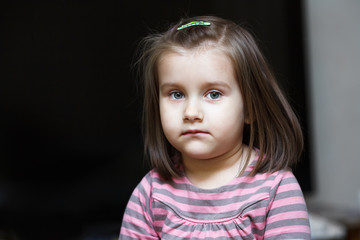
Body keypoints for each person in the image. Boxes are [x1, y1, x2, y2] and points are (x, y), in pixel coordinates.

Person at [119, 16, 311, 239]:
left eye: (213, 94)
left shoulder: (275, 188)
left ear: (250, 108)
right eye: (176, 94)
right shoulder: (151, 194)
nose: (191, 113)